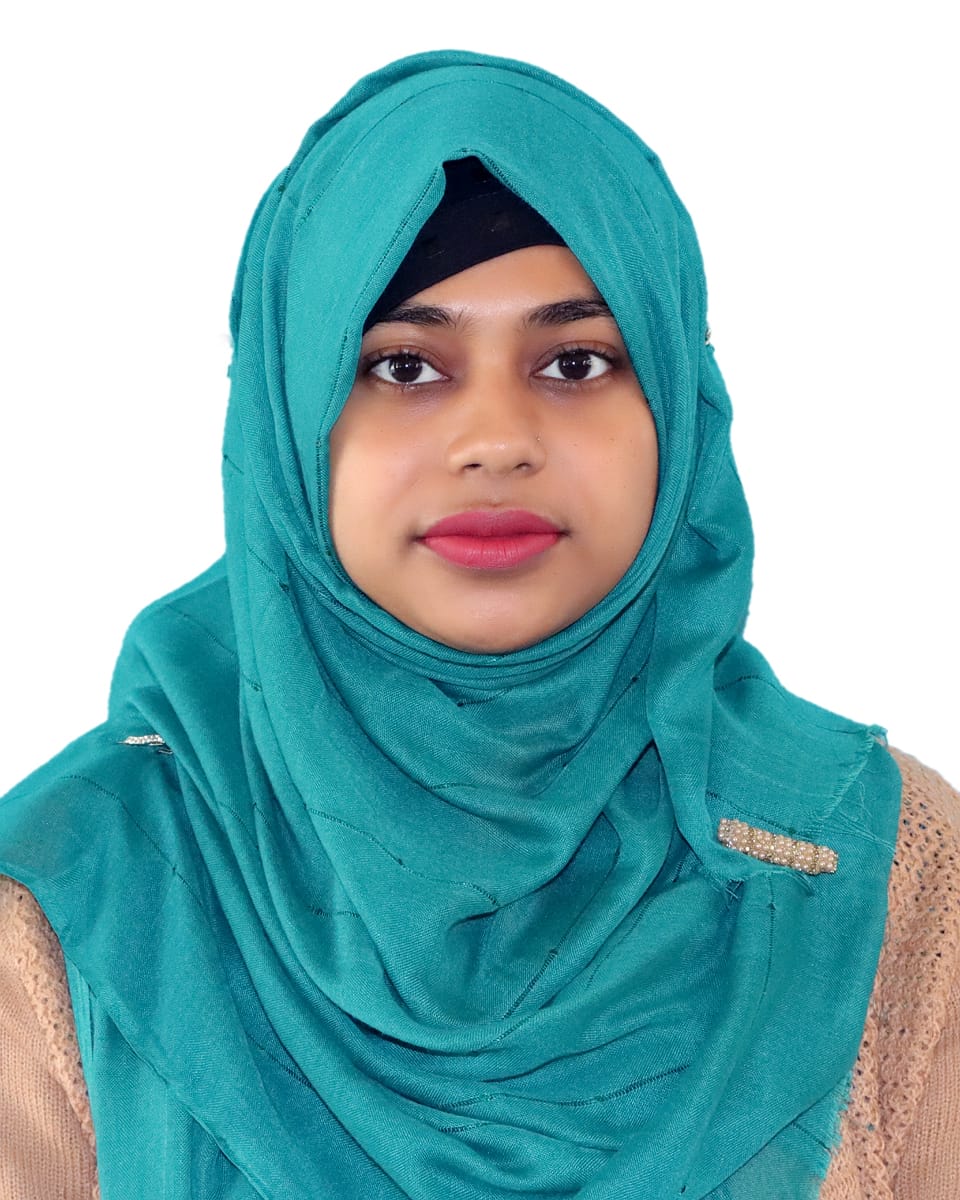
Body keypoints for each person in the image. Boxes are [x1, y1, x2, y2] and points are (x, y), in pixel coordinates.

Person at [1, 49, 958, 1200]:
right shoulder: (76, 904)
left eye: (576, 361)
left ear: (676, 405)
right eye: (405, 366)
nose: (496, 440)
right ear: (290, 421)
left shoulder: (892, 887)